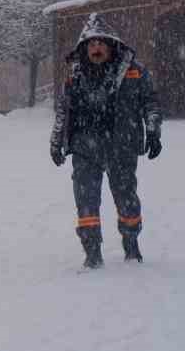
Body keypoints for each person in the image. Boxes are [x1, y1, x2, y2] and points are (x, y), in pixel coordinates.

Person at [49, 13, 162, 268]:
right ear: (84, 48)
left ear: (111, 45)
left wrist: (154, 131)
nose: (96, 48)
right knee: (86, 200)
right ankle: (92, 253)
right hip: (84, 147)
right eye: (90, 44)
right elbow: (63, 110)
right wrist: (56, 141)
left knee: (126, 197)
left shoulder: (134, 71)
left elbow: (150, 102)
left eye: (100, 43)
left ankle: (131, 247)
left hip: (121, 145)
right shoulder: (74, 75)